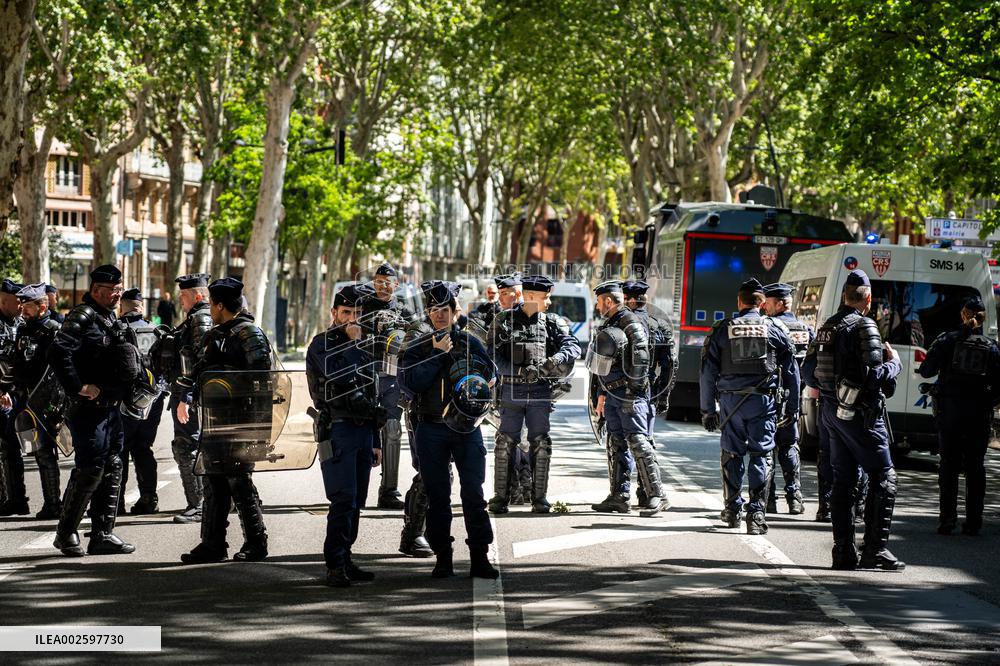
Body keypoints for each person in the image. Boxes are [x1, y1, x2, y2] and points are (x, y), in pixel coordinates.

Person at [801, 269, 904, 570]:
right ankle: (875, 550)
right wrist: (895, 364)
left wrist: (833, 389)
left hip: (831, 413)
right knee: (883, 476)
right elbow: (873, 377)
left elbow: (808, 374)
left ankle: (843, 551)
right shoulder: (864, 325)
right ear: (868, 299)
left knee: (843, 481)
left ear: (844, 295)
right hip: (861, 415)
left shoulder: (827, 328)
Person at [398, 280, 498, 579]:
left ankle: (480, 556)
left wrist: (480, 382)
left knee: (474, 495)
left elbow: (491, 377)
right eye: (434, 310)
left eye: (445, 309)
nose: (439, 315)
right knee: (437, 496)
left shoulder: (470, 342)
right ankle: (443, 557)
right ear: (428, 313)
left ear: (456, 312)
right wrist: (438, 353)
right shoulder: (417, 346)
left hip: (466, 428)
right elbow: (411, 384)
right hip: (430, 427)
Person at [179, 277, 273, 564]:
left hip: (242, 422)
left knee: (239, 482)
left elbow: (263, 384)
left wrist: (258, 429)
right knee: (214, 481)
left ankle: (256, 542)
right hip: (215, 420)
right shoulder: (215, 334)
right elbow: (200, 372)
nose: (209, 309)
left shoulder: (250, 334)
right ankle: (212, 544)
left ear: (220, 305)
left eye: (211, 304)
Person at [48, 265, 141, 556]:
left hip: (112, 409)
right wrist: (78, 386)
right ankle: (65, 533)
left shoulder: (110, 317)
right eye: (113, 290)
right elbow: (58, 353)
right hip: (87, 409)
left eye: (119, 289)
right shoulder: (82, 316)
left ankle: (102, 534)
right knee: (90, 469)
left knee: (112, 466)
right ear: (96, 290)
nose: (118, 295)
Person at [699, 278, 799, 535]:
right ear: (762, 303)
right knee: (761, 455)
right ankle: (756, 515)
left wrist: (708, 410)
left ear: (739, 302)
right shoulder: (775, 329)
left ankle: (733, 511)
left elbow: (707, 373)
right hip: (763, 404)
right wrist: (793, 408)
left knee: (731, 454)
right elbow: (792, 372)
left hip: (731, 403)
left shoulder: (723, 329)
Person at [307, 284, 385, 587]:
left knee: (358, 501)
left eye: (357, 313)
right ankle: (335, 564)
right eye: (346, 312)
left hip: (363, 430)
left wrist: (376, 440)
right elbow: (337, 376)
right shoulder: (322, 344)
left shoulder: (363, 344)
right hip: (338, 429)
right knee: (343, 498)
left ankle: (347, 558)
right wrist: (352, 343)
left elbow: (371, 391)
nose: (352, 318)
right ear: (334, 313)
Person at [486, 274, 579, 514]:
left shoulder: (552, 322)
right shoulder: (503, 320)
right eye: (545, 297)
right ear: (529, 296)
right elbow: (491, 355)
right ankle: (500, 498)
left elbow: (572, 346)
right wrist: (517, 370)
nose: (549, 302)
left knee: (541, 443)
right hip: (511, 390)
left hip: (540, 391)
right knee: (505, 442)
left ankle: (539, 499)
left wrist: (553, 361)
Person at [917, 295, 1000, 536]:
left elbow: (926, 371)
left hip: (950, 415)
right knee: (975, 468)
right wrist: (988, 402)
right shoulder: (992, 347)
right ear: (983, 318)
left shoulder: (947, 340)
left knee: (949, 466)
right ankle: (973, 521)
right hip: (979, 416)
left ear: (963, 314)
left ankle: (947, 520)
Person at [589, 280, 666, 517]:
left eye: (599, 301)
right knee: (616, 443)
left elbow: (641, 358)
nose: (598, 306)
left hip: (629, 394)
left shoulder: (629, 321)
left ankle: (657, 494)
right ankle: (619, 496)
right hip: (613, 393)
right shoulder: (610, 322)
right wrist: (601, 394)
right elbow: (602, 364)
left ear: (608, 301)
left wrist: (633, 393)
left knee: (638, 441)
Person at [360, 262, 416, 511]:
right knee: (362, 433)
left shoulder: (405, 312)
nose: (383, 286)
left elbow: (417, 342)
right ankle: (356, 489)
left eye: (388, 282)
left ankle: (389, 490)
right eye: (378, 281)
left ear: (396, 284)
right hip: (365, 378)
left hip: (393, 380)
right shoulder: (360, 308)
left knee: (392, 430)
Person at [6, 283, 62, 518]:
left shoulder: (53, 330)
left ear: (42, 307)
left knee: (45, 452)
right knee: (28, 449)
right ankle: (21, 500)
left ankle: (53, 504)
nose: (22, 309)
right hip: (24, 398)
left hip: (46, 400)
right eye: (21, 305)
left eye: (27, 306)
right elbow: (18, 362)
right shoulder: (24, 329)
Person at [622, 279, 676, 509]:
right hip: (649, 389)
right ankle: (645, 493)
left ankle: (622, 492)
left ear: (629, 300)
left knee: (625, 441)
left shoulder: (622, 323)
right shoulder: (659, 325)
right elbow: (670, 364)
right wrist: (664, 394)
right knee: (645, 439)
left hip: (623, 389)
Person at [165, 274, 213, 524]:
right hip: (190, 393)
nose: (180, 300)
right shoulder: (196, 318)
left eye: (184, 295)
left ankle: (199, 505)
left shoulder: (200, 319)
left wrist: (186, 396)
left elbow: (198, 362)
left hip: (191, 395)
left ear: (198, 296)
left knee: (186, 446)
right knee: (192, 445)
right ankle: (205, 503)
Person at [761, 282, 812, 515]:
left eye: (769, 303)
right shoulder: (805, 330)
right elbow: (811, 367)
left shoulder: (768, 327)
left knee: (767, 449)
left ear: (780, 304)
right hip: (794, 399)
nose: (764, 307)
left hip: (771, 399)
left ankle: (768, 499)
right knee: (790, 448)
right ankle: (795, 499)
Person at [118, 288, 165, 515]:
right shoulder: (157, 330)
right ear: (141, 307)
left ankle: (115, 502)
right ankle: (149, 498)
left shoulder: (116, 329)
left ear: (122, 306)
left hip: (125, 401)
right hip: (153, 398)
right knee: (143, 448)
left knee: (120, 449)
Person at [0, 278, 25, 516]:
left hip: (18, 392)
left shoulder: (21, 323)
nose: (21, 306)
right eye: (17, 302)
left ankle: (17, 497)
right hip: (2, 392)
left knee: (13, 446)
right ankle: (7, 496)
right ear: (4, 301)